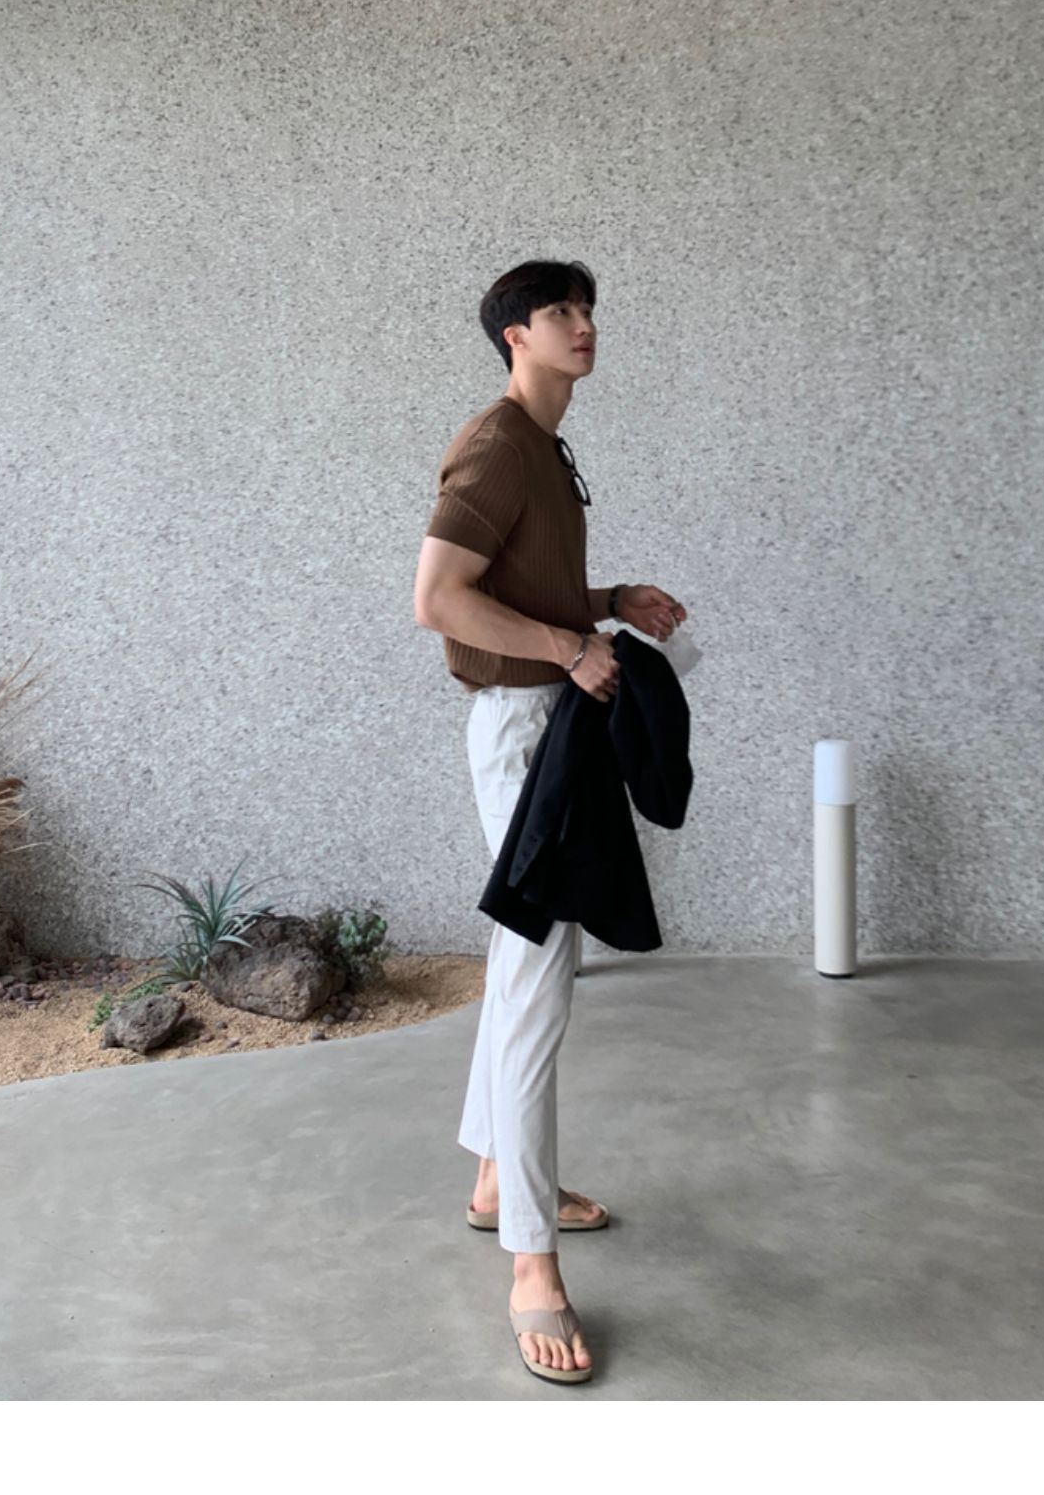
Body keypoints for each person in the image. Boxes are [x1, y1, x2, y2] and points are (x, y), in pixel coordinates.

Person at [412, 259, 687, 1383]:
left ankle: (495, 1179)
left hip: (550, 723)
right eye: (560, 313)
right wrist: (573, 646)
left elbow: (517, 585)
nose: (584, 326)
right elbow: (439, 598)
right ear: (514, 336)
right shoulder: (495, 446)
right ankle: (530, 1260)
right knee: (536, 981)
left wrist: (610, 603)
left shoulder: (544, 445)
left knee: (527, 959)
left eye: (588, 310)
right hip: (527, 732)